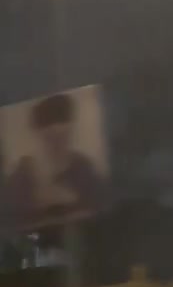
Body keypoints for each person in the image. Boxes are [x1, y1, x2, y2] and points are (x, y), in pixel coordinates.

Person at [3, 92, 105, 231]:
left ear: (71, 127)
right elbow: (10, 227)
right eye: (48, 123)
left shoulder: (84, 167)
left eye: (62, 120)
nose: (57, 129)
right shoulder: (19, 178)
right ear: (37, 132)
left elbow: (103, 213)